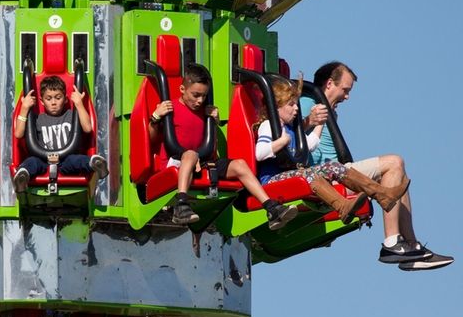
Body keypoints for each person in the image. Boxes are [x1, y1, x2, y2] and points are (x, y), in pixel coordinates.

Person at [301, 62, 453, 270]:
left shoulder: (330, 112)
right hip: (327, 175)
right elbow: (290, 133)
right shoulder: (308, 102)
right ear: (329, 84)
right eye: (345, 90)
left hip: (340, 171)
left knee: (399, 175)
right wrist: (309, 120)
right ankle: (391, 243)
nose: (347, 97)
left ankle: (410, 246)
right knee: (394, 162)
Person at [150, 63, 298, 227]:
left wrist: (215, 121)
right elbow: (152, 138)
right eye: (195, 95)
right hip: (178, 161)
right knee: (191, 154)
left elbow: (208, 142)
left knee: (240, 165)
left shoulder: (206, 112)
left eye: (204, 96)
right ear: (183, 90)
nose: (200, 101)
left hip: (204, 162)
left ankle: (271, 208)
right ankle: (181, 205)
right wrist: (156, 116)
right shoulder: (171, 108)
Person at [253, 77, 395, 225]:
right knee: (308, 173)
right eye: (291, 104)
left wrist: (320, 123)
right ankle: (342, 206)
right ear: (276, 106)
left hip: (290, 175)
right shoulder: (269, 126)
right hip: (271, 181)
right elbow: (259, 153)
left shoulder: (290, 129)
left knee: (333, 166)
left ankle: (381, 194)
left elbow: (310, 145)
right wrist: (281, 142)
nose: (296, 108)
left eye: (296, 104)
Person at [11, 76, 109, 192]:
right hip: (42, 159)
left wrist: (79, 104)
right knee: (31, 162)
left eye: (58, 98)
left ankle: (96, 165)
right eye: (48, 98)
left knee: (76, 160)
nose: (53, 102)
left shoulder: (71, 116)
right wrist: (25, 107)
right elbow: (18, 134)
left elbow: (88, 128)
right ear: (41, 101)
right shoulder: (37, 119)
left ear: (66, 99)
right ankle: (22, 178)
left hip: (66, 159)